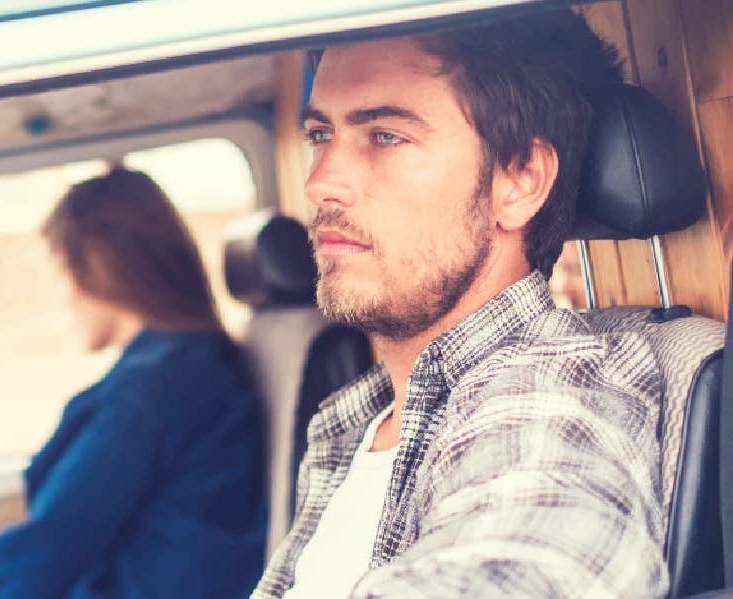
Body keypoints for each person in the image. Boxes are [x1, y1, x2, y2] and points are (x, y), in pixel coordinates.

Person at [253, 9, 665, 599]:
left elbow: (524, 560)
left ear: (519, 179)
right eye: (321, 135)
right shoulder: (354, 424)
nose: (321, 182)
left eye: (386, 135)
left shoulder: (548, 397)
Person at [0, 168, 267, 599]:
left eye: (61, 275)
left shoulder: (155, 389)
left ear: (97, 269)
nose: (62, 296)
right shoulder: (191, 362)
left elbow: (48, 549)